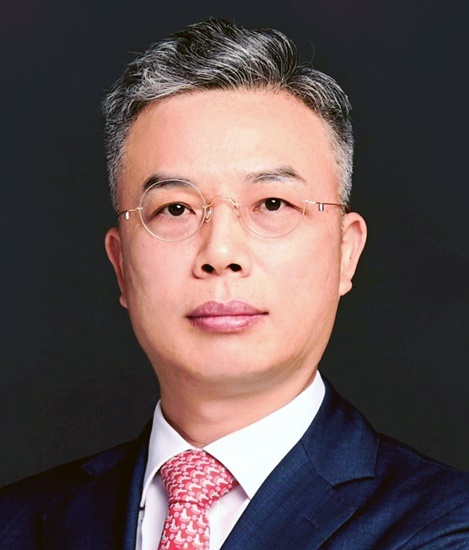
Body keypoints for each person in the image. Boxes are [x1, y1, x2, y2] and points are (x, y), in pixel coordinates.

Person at [0, 17, 467, 550]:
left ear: (346, 252)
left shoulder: (447, 525)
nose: (220, 254)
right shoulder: (15, 524)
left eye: (272, 203)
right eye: (175, 208)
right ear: (121, 264)